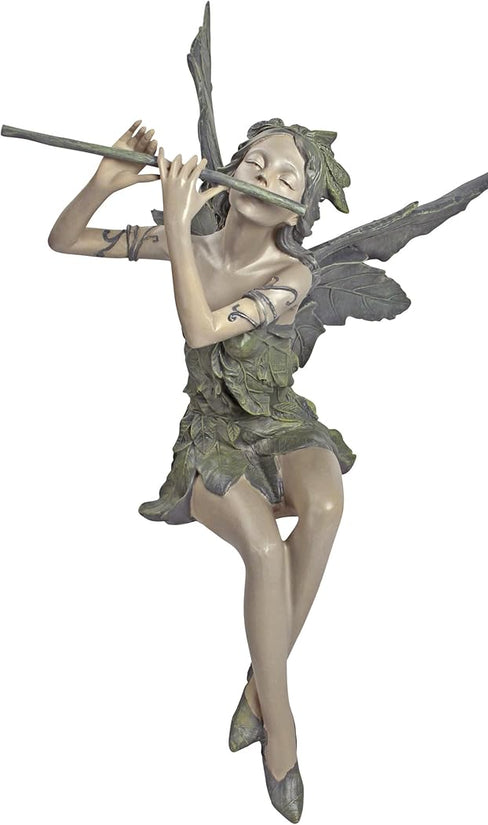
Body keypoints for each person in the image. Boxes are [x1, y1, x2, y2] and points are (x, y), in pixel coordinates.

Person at [48, 118, 356, 823]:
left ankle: (256, 689)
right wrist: (103, 184)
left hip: (281, 421)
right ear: (232, 168)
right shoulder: (182, 243)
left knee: (326, 505)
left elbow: (204, 327)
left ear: (297, 210)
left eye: (285, 177)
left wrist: (181, 228)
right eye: (256, 162)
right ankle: (281, 725)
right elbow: (64, 240)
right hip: (212, 433)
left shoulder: (292, 274)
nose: (265, 178)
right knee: (263, 550)